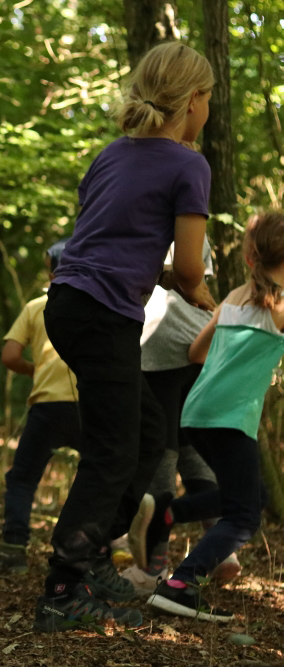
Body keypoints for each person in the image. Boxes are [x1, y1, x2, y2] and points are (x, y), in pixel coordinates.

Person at [35, 42, 217, 632]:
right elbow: (190, 269)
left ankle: (89, 556)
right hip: (103, 314)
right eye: (208, 97)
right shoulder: (189, 164)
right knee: (116, 450)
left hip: (69, 303)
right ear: (193, 101)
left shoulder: (112, 154)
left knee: (145, 432)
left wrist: (159, 275)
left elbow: (110, 238)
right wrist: (208, 299)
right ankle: (62, 588)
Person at [141, 212, 283, 621]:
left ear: (252, 256)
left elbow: (196, 353)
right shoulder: (279, 307)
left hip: (197, 411)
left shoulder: (235, 298)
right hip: (229, 417)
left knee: (250, 495)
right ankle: (182, 584)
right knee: (245, 515)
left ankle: (166, 512)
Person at [122, 240, 238, 595]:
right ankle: (222, 550)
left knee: (162, 450)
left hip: (158, 340)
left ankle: (152, 568)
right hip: (199, 336)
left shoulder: (148, 220)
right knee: (189, 446)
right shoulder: (195, 227)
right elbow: (198, 277)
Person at [0, 241, 85, 579]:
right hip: (90, 404)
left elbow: (10, 356)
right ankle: (95, 551)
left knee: (23, 478)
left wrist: (35, 370)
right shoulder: (98, 303)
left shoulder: (37, 306)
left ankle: (13, 551)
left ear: (51, 270)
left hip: (47, 406)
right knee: (98, 478)